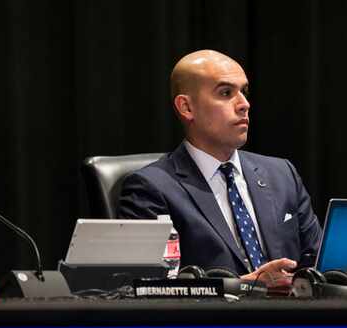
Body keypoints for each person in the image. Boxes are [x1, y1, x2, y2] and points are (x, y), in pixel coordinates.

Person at [118, 50, 322, 288]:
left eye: (243, 92)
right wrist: (248, 285)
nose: (244, 104)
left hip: (293, 321)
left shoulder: (282, 174)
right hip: (209, 324)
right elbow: (148, 289)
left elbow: (317, 261)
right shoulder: (150, 188)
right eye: (226, 93)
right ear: (186, 107)